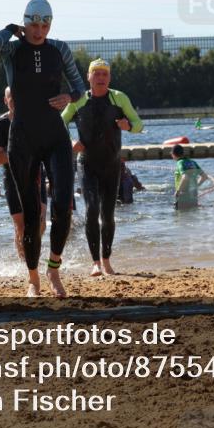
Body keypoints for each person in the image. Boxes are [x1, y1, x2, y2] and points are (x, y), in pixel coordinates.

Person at [0, 0, 86, 297]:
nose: (39, 30)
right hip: (22, 139)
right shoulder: (13, 49)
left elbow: (80, 89)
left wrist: (69, 97)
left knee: (62, 207)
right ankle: (33, 280)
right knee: (31, 216)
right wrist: (11, 29)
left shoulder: (60, 49)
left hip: (55, 136)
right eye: (34, 24)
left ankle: (54, 269)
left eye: (45, 24)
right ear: (26, 22)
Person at [61, 58, 144, 276]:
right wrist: (70, 142)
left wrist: (129, 126)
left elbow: (139, 124)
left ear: (110, 78)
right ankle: (95, 262)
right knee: (91, 210)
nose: (100, 78)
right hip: (87, 163)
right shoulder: (78, 100)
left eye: (104, 74)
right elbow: (59, 123)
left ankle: (106, 260)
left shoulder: (119, 98)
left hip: (112, 164)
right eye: (96, 73)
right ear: (88, 77)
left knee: (108, 215)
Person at [0, 87, 46, 260]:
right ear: (5, 100)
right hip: (13, 178)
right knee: (21, 226)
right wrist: (20, 155)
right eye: (11, 98)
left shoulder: (35, 119)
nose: (15, 101)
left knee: (40, 223)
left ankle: (35, 255)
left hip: (36, 173)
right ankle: (25, 262)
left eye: (18, 97)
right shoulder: (1, 124)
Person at [171, 144, 214, 210]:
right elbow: (204, 177)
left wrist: (178, 191)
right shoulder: (193, 162)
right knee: (193, 217)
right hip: (193, 197)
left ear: (173, 154)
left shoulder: (180, 163)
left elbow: (185, 177)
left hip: (182, 198)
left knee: (180, 218)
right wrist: (195, 186)